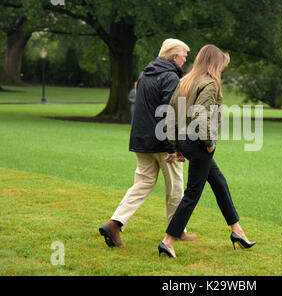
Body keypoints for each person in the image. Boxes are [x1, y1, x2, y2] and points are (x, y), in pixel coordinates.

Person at [158, 45, 255, 258]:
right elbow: (201, 117)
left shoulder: (186, 81)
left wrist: (178, 146)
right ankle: (168, 240)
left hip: (186, 141)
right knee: (193, 194)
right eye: (222, 65)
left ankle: (237, 231)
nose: (222, 69)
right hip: (199, 143)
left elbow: (171, 115)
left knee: (219, 182)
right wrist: (209, 142)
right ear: (214, 64)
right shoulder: (209, 84)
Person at [99, 38, 197, 247]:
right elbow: (170, 113)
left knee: (142, 184)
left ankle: (115, 223)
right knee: (176, 188)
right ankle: (177, 231)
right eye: (183, 57)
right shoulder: (171, 77)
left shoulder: (145, 74)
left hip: (141, 140)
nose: (184, 61)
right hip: (163, 144)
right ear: (174, 57)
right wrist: (175, 146)